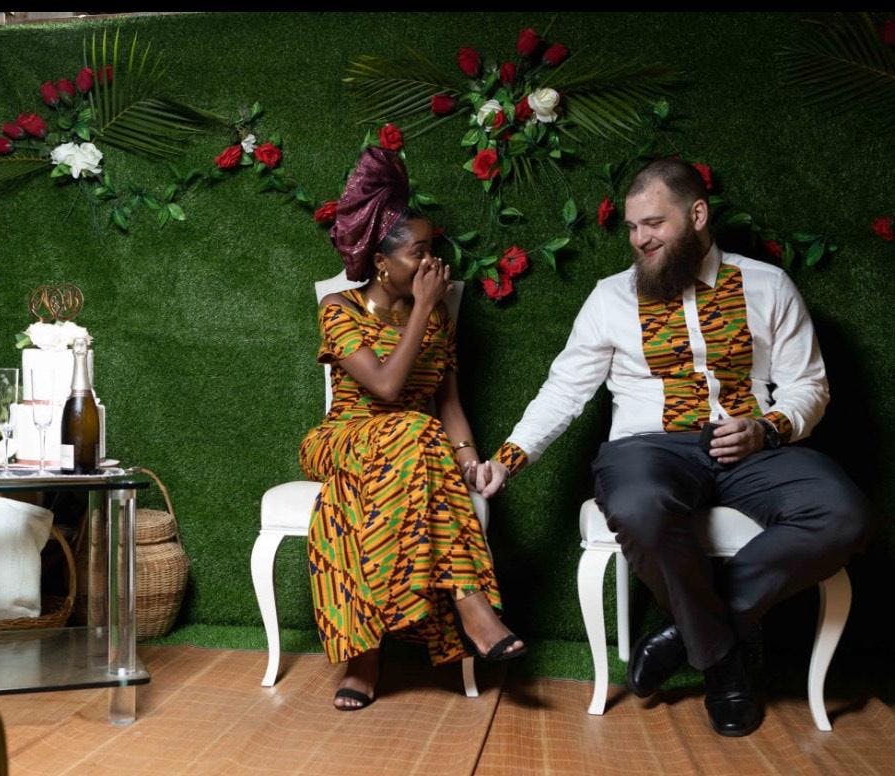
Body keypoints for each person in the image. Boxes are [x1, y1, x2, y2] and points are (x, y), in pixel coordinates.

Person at [485, 157, 871, 736]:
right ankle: (722, 662)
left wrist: (766, 427)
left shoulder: (767, 286)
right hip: (648, 449)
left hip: (753, 446)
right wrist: (510, 457)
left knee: (844, 514)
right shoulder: (610, 298)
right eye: (634, 227)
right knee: (638, 506)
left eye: (655, 223)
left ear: (696, 215)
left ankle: (682, 637)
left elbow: (808, 385)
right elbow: (565, 389)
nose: (641, 239)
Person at [300, 146, 524, 712]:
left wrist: (469, 457)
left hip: (411, 449)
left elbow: (446, 402)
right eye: (421, 255)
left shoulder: (438, 313)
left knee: (394, 461)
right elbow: (385, 389)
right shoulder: (339, 309)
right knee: (412, 429)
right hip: (343, 437)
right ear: (382, 261)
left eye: (434, 253)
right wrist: (425, 307)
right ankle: (472, 605)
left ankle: (365, 656)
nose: (433, 267)